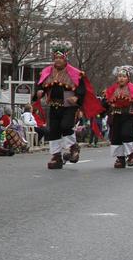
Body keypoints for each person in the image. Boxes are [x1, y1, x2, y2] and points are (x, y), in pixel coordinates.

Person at [34, 41, 101, 170]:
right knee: (53, 131)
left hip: (69, 106)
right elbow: (40, 85)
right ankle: (56, 156)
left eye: (61, 58)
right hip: (54, 105)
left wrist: (76, 97)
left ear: (65, 59)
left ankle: (73, 146)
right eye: (56, 58)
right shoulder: (47, 72)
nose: (58, 60)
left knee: (65, 126)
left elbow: (81, 89)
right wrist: (39, 92)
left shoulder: (75, 73)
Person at [101, 66, 133, 169]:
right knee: (116, 137)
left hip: (129, 116)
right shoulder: (112, 90)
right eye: (119, 76)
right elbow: (105, 102)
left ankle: (131, 154)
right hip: (116, 116)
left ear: (128, 78)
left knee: (126, 134)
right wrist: (106, 105)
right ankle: (120, 158)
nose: (121, 78)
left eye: (123, 76)